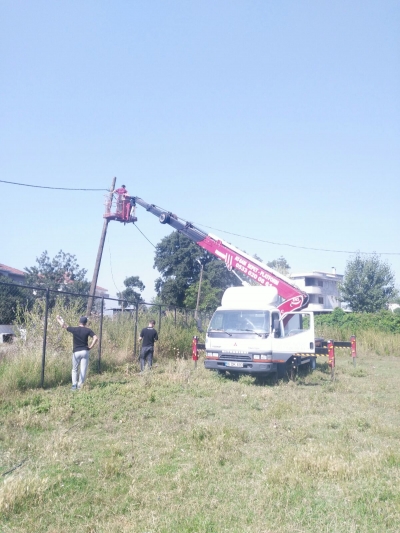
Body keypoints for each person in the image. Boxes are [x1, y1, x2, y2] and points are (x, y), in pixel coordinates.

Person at [56, 315, 98, 390]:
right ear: (86, 323)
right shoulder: (88, 330)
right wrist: (91, 346)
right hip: (85, 351)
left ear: (79, 322)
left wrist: (58, 319)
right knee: (83, 369)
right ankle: (80, 385)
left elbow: (64, 326)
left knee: (74, 369)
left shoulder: (74, 329)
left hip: (76, 352)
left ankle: (74, 385)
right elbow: (95, 338)